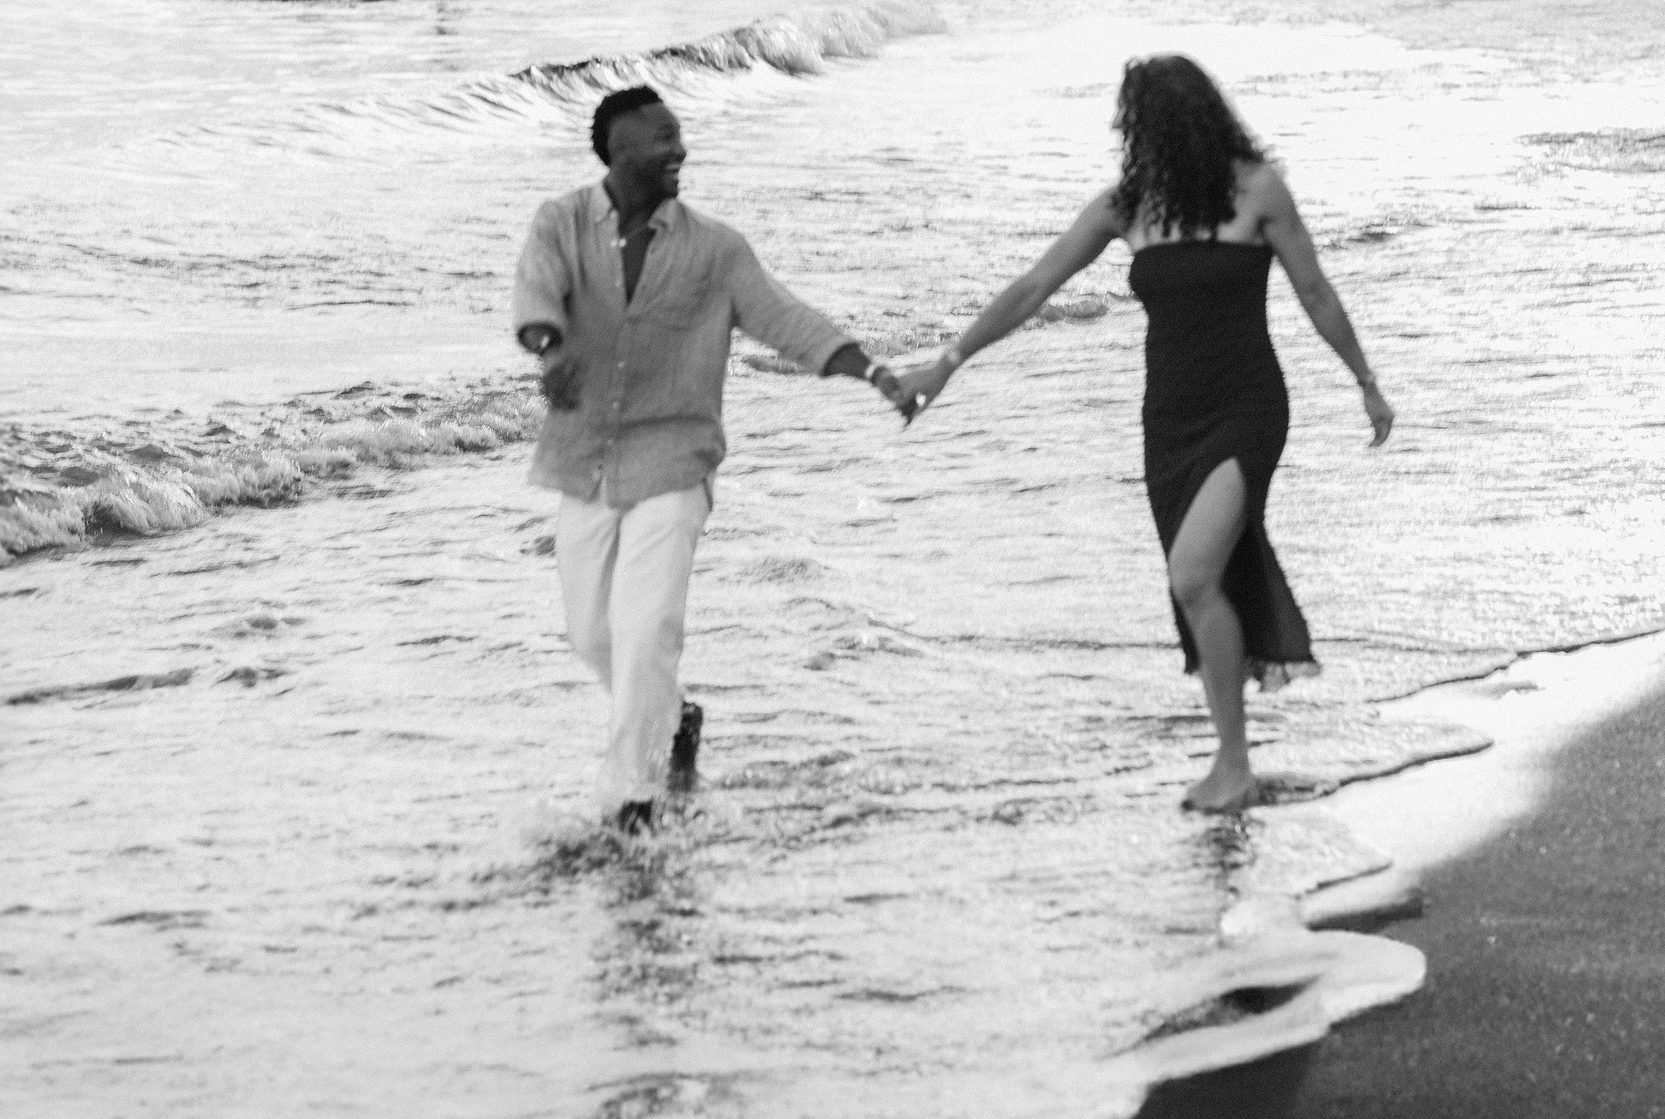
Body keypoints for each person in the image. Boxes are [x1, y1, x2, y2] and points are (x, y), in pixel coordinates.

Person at [899, 55, 1393, 813]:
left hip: (1247, 407)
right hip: (1168, 419)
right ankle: (1233, 762)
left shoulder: (1258, 190)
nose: (1136, 136)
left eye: (1141, 121)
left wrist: (1364, 380)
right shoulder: (1127, 207)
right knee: (1204, 582)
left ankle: (1234, 763)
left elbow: (1315, 289)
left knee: (1194, 574)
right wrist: (948, 362)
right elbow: (1034, 288)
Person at [513, 84, 916, 832]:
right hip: (583, 460)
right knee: (591, 635)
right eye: (664, 138)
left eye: (680, 136)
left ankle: (631, 797)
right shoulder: (560, 222)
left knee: (647, 627)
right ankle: (673, 715)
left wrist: (871, 370)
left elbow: (782, 317)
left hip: (676, 457)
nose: (680, 150)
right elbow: (538, 292)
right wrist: (548, 345)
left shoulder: (715, 248)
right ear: (620, 148)